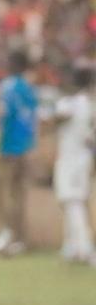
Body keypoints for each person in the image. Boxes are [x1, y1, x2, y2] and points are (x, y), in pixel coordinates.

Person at [0, 51, 38, 257]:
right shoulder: (28, 89)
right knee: (18, 195)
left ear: (10, 64)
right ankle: (20, 239)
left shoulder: (7, 87)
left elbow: (2, 115)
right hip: (25, 147)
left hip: (6, 148)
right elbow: (33, 118)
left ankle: (8, 233)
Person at [51, 68, 95, 265]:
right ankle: (71, 246)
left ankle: (86, 248)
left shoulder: (69, 103)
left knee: (72, 201)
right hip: (83, 157)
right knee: (74, 201)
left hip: (71, 158)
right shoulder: (90, 104)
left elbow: (57, 118)